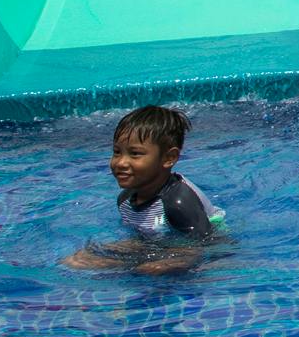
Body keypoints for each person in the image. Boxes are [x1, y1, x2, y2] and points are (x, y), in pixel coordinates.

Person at [68, 104, 220, 272]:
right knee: (79, 259)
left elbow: (207, 245)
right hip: (162, 245)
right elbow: (144, 240)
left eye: (135, 154)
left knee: (148, 270)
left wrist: (169, 262)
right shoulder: (125, 200)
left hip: (211, 252)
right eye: (117, 152)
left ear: (169, 158)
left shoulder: (178, 202)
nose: (121, 163)